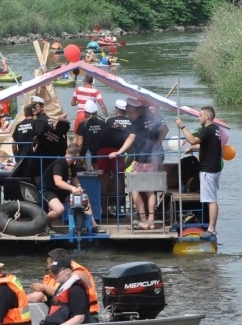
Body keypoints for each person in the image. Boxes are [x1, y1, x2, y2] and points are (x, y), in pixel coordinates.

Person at [108, 97, 161, 230]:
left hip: (141, 161)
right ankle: (151, 221)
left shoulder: (136, 123)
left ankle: (143, 220)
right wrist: (157, 143)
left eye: (127, 110)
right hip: (153, 159)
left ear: (131, 110)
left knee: (134, 190)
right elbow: (164, 129)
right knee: (150, 191)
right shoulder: (150, 119)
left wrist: (119, 152)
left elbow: (131, 138)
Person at [176, 106, 222, 239]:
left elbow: (193, 140)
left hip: (208, 170)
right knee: (211, 199)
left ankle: (211, 229)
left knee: (211, 200)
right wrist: (193, 149)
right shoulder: (215, 129)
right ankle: (211, 227)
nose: (198, 117)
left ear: (207, 117)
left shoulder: (207, 129)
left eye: (200, 115)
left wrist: (182, 126)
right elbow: (206, 144)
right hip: (214, 169)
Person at [42, 143, 105, 233]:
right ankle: (43, 224)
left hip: (61, 191)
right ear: (78, 155)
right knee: (59, 210)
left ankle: (93, 225)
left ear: (66, 151)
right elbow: (58, 182)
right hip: (48, 190)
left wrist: (79, 187)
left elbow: (74, 177)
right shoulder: (59, 163)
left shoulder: (71, 165)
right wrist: (73, 188)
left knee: (83, 198)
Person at [29, 249, 100, 322]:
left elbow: (61, 291)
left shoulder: (77, 273)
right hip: (66, 315)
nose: (45, 265)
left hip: (88, 316)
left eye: (47, 263)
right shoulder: (55, 276)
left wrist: (44, 288)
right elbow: (41, 295)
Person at [38, 258, 92, 325]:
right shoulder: (62, 286)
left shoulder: (76, 289)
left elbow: (79, 318)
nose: (53, 275)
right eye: (52, 272)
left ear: (67, 271)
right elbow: (60, 306)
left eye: (56, 271)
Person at [75, 99, 106, 167]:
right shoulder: (103, 123)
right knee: (97, 170)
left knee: (86, 170)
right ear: (96, 112)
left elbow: (80, 142)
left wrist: (77, 153)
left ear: (85, 112)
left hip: (86, 153)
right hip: (99, 152)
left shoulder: (83, 124)